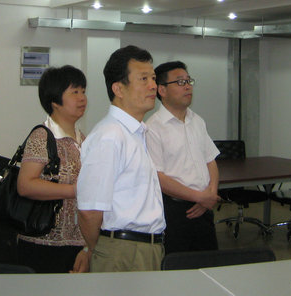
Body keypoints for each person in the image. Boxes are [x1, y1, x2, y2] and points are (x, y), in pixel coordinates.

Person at [76, 45, 165, 272]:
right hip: (123, 251)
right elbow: (89, 211)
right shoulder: (110, 136)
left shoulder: (134, 132)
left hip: (144, 247)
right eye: (143, 79)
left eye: (153, 78)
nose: (153, 85)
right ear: (118, 89)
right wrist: (97, 250)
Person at [16, 65, 90, 273]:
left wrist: (88, 247)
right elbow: (25, 185)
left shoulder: (85, 140)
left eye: (83, 91)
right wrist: (73, 190)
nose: (82, 98)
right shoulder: (42, 136)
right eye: (74, 92)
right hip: (42, 243)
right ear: (55, 100)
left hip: (78, 244)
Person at [146, 61, 220, 254]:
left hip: (204, 207)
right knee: (178, 265)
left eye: (189, 81)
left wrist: (210, 194)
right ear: (162, 90)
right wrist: (199, 197)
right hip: (175, 210)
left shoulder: (197, 121)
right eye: (180, 82)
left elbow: (210, 160)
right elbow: (158, 177)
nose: (187, 86)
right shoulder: (153, 127)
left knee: (210, 262)